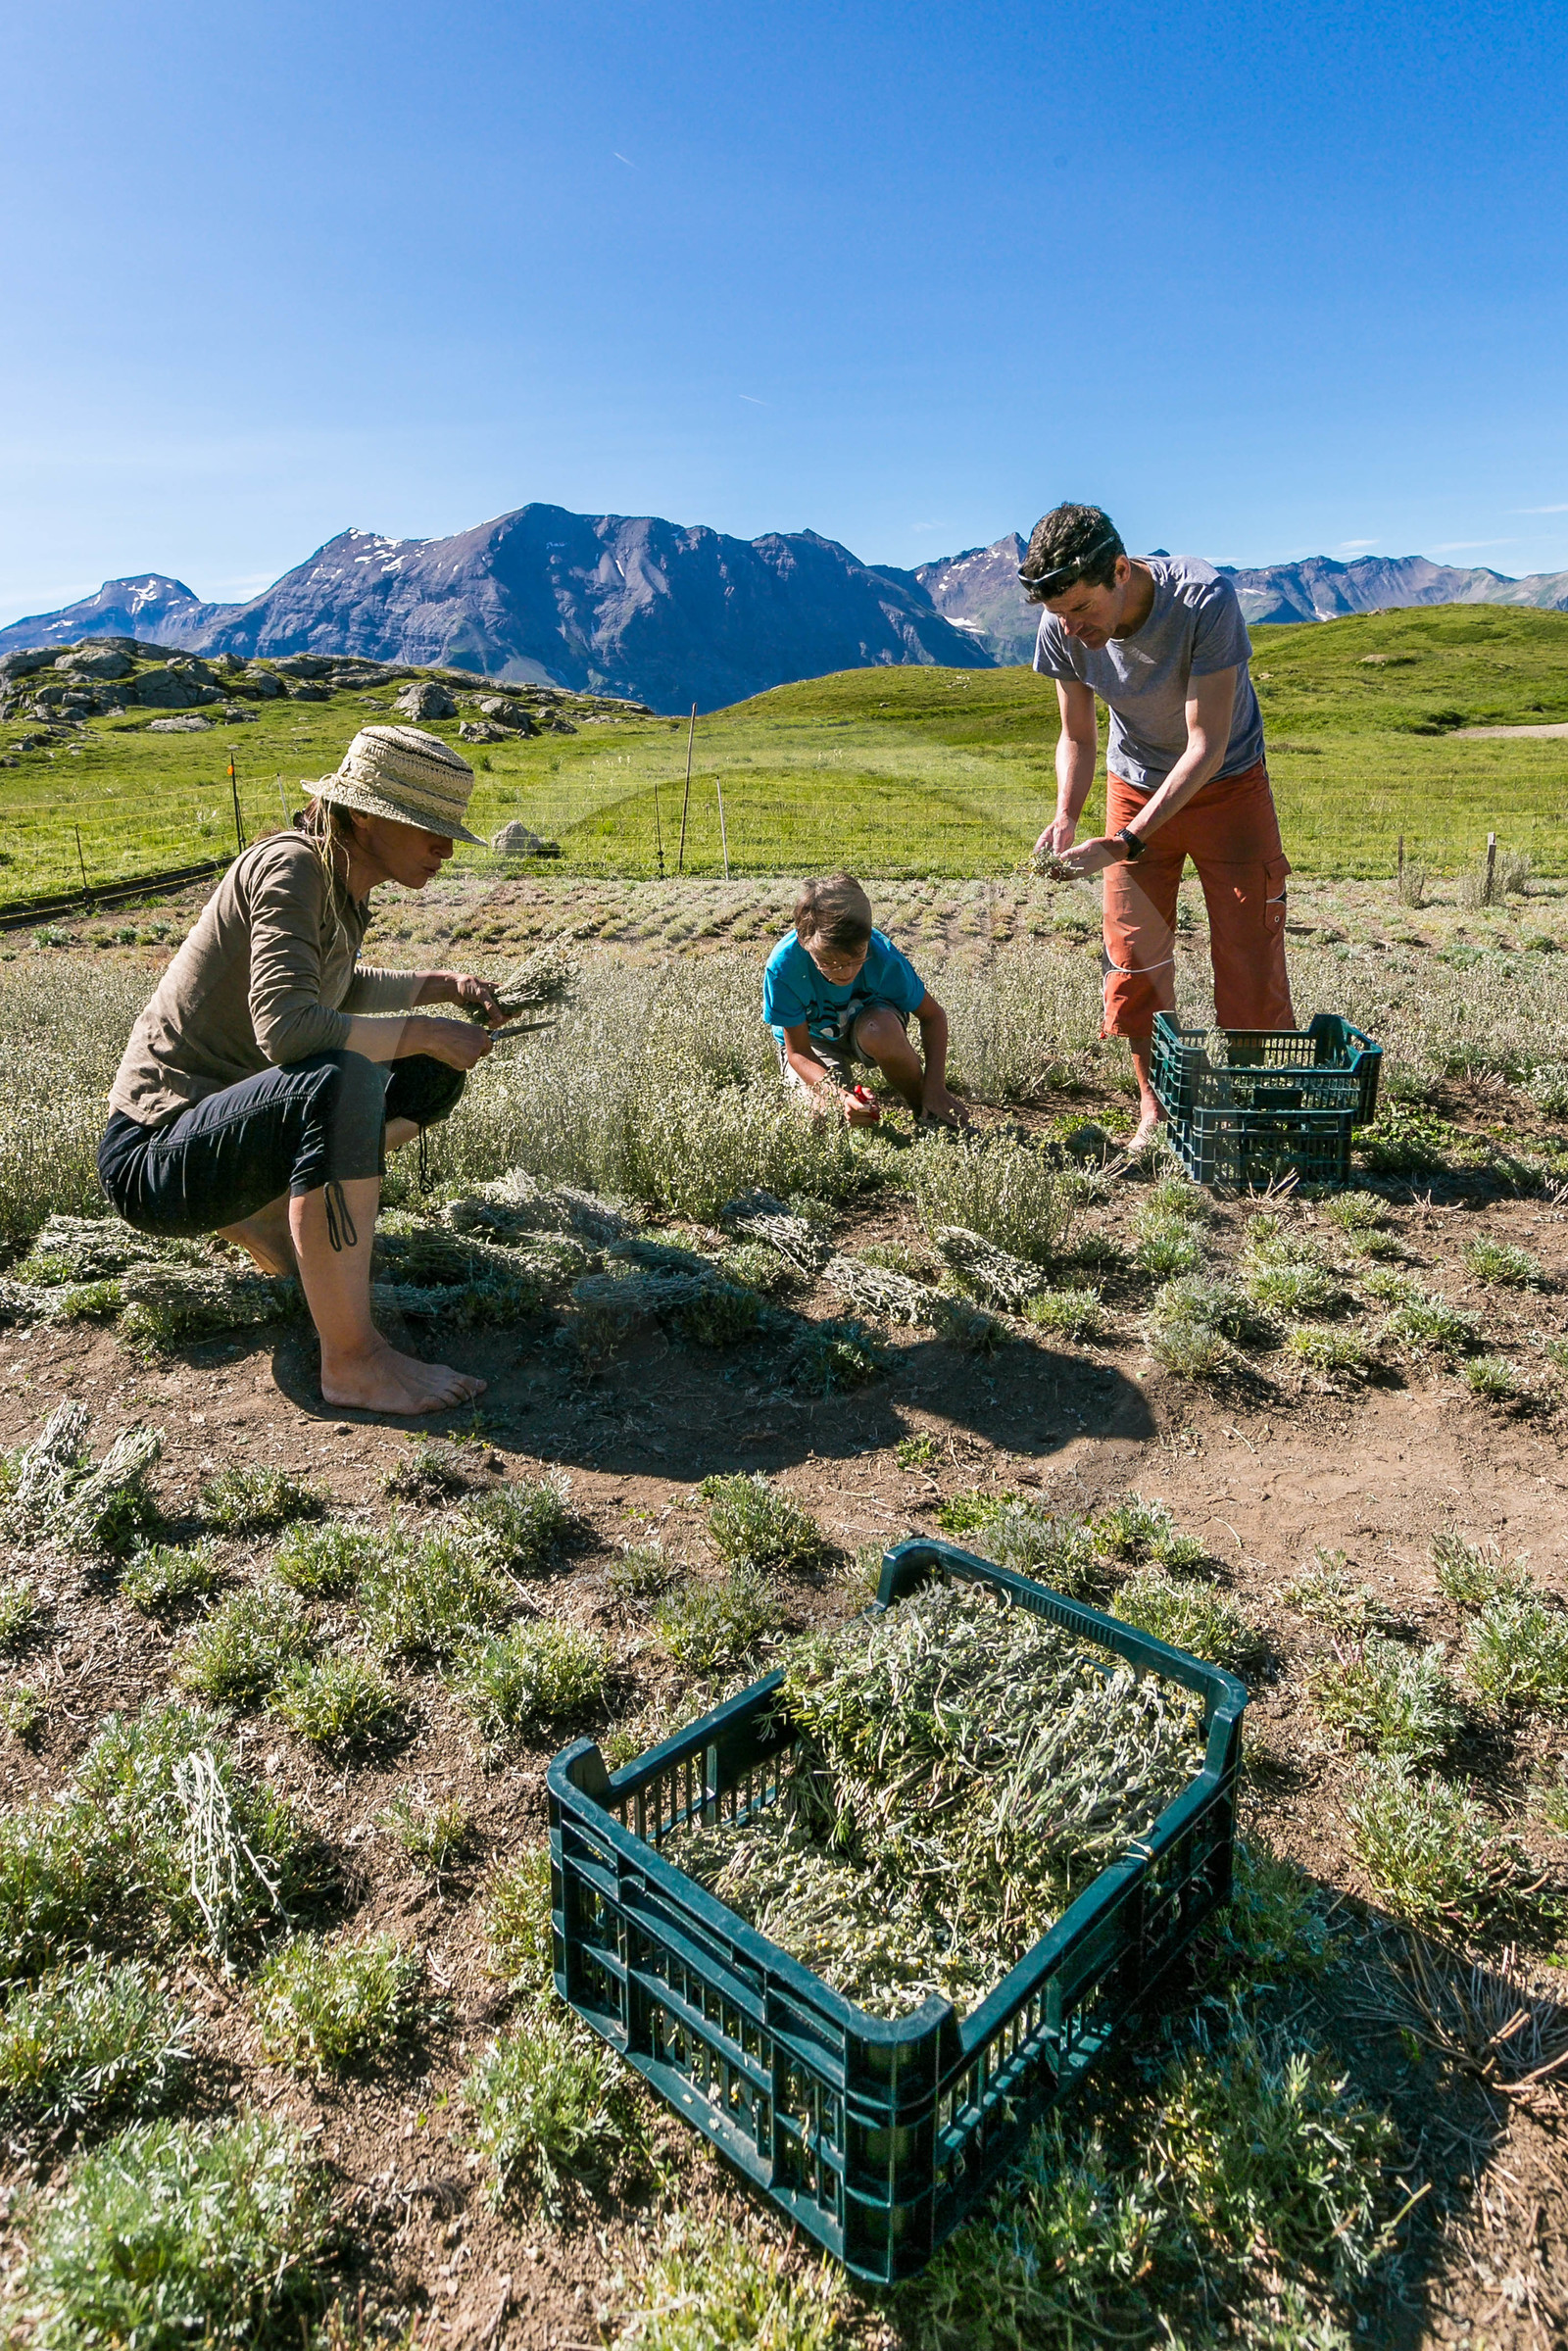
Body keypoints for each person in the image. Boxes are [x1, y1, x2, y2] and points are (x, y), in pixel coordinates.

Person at [97, 725, 508, 1416]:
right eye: (428, 826)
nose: (444, 845)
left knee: (428, 1073)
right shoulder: (292, 867)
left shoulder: (340, 883)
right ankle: (353, 1360)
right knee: (341, 1075)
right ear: (367, 816)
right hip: (153, 1158)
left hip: (220, 1133)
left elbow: (337, 988)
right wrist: (425, 1030)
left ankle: (264, 1214)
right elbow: (288, 1028)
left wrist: (445, 987)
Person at [1024, 503, 1295, 1148]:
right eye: (1060, 616)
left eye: (1083, 609)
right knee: (1133, 952)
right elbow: (1078, 737)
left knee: (1250, 950)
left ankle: (1254, 1111)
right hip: (1134, 782)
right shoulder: (1059, 626)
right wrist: (1066, 812)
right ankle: (1155, 1111)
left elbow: (1205, 743)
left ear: (1120, 570)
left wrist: (1124, 842)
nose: (1073, 627)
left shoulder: (1204, 599)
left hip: (1228, 784)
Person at [762, 872, 967, 1129]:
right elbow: (799, 1053)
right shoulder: (784, 966)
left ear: (868, 936)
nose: (845, 972)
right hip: (813, 1044)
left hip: (870, 1025)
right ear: (805, 943)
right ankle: (856, 1113)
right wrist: (841, 1096)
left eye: (856, 957)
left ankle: (927, 1113)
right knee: (817, 1119)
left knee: (879, 1029)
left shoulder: (883, 956)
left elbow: (933, 1016)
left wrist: (935, 1086)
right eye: (828, 963)